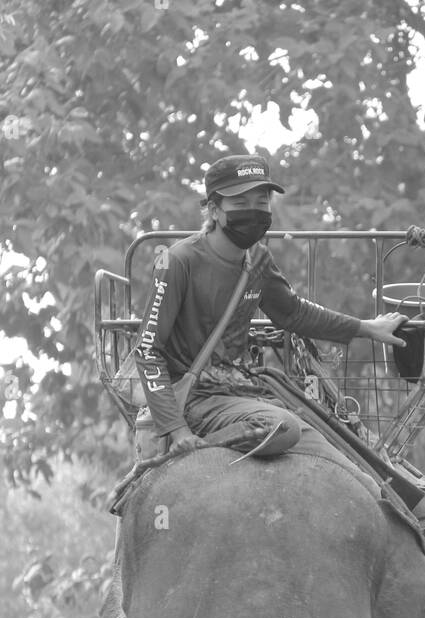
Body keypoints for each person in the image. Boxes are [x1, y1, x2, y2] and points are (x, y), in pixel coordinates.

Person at [132, 154, 408, 462]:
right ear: (214, 210)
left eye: (261, 202)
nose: (253, 212)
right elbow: (146, 349)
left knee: (341, 452)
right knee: (281, 426)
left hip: (242, 391)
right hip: (195, 399)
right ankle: (195, 448)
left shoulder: (258, 259)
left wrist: (368, 328)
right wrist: (178, 429)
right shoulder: (179, 260)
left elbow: (292, 312)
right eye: (240, 203)